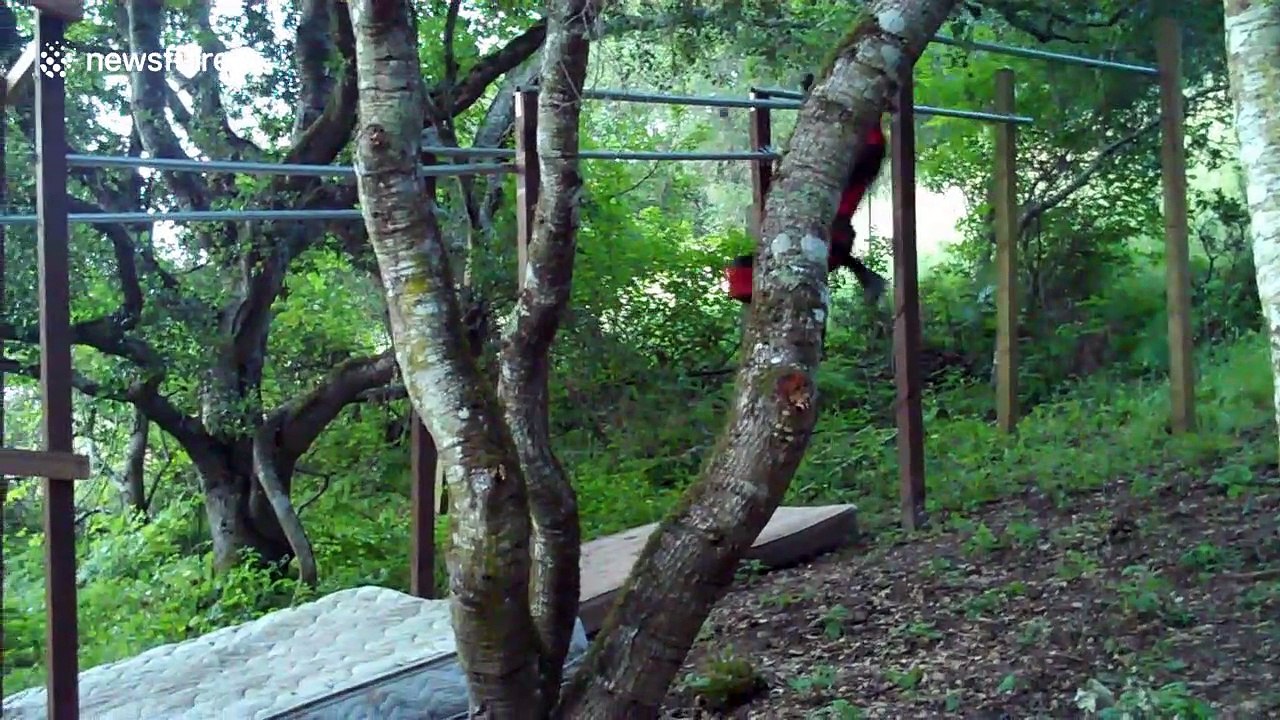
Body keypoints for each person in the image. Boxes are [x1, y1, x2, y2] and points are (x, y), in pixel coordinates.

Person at [725, 117, 889, 305]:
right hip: (841, 204)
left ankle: (867, 276)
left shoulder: (788, 250)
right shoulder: (796, 254)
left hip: (839, 206)